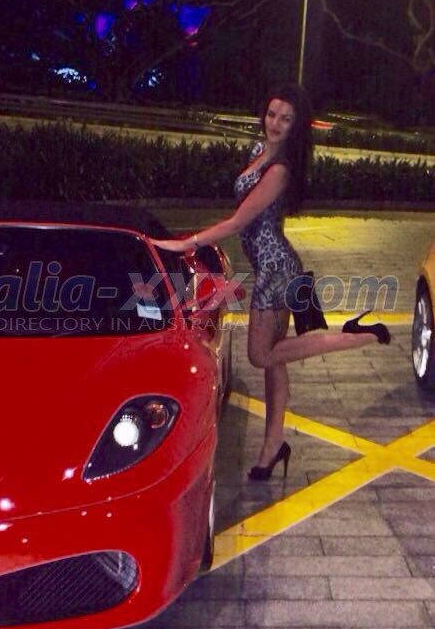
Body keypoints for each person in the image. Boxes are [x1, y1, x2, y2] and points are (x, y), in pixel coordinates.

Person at [151, 83, 390, 480]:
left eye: (286, 119)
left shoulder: (279, 171)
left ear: (297, 126)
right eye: (272, 114)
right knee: (275, 360)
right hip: (273, 266)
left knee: (261, 355)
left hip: (277, 269)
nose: (275, 123)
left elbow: (238, 222)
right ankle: (272, 446)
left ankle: (356, 336)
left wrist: (186, 243)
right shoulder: (260, 152)